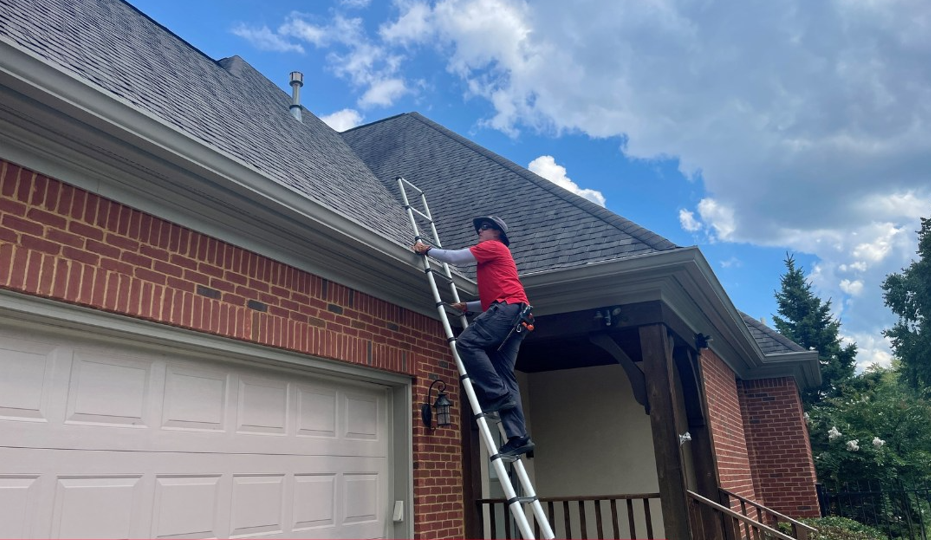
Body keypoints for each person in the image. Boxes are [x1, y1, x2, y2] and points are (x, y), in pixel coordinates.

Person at [413, 216, 534, 458]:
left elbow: (456, 257)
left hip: (508, 310)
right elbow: (491, 302)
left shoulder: (494, 247)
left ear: (498, 232)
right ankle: (518, 437)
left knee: (467, 343)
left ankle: (495, 394)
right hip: (519, 316)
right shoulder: (496, 261)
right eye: (480, 228)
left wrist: (428, 250)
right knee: (505, 376)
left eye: (486, 228)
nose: (480, 231)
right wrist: (469, 306)